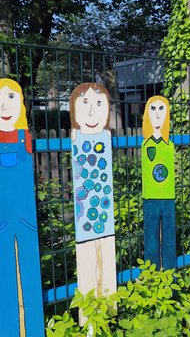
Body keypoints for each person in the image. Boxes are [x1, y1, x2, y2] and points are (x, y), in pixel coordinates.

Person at [0, 78, 45, 337]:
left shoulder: (23, 138)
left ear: (21, 104)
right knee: (4, 274)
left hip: (25, 219)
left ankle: (33, 329)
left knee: (29, 273)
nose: (5, 105)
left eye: (11, 97)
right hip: (0, 220)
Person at [70, 82, 116, 325]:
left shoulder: (105, 137)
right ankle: (88, 320)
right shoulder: (76, 137)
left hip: (105, 221)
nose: (91, 112)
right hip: (84, 222)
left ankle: (108, 313)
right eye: (84, 104)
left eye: (99, 104)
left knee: (106, 258)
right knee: (87, 260)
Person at [141, 95, 176, 270]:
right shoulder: (146, 145)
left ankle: (171, 280)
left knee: (169, 240)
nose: (157, 114)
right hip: (150, 198)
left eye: (161, 109)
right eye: (152, 109)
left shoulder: (170, 145)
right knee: (151, 241)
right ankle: (151, 279)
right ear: (147, 113)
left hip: (168, 197)